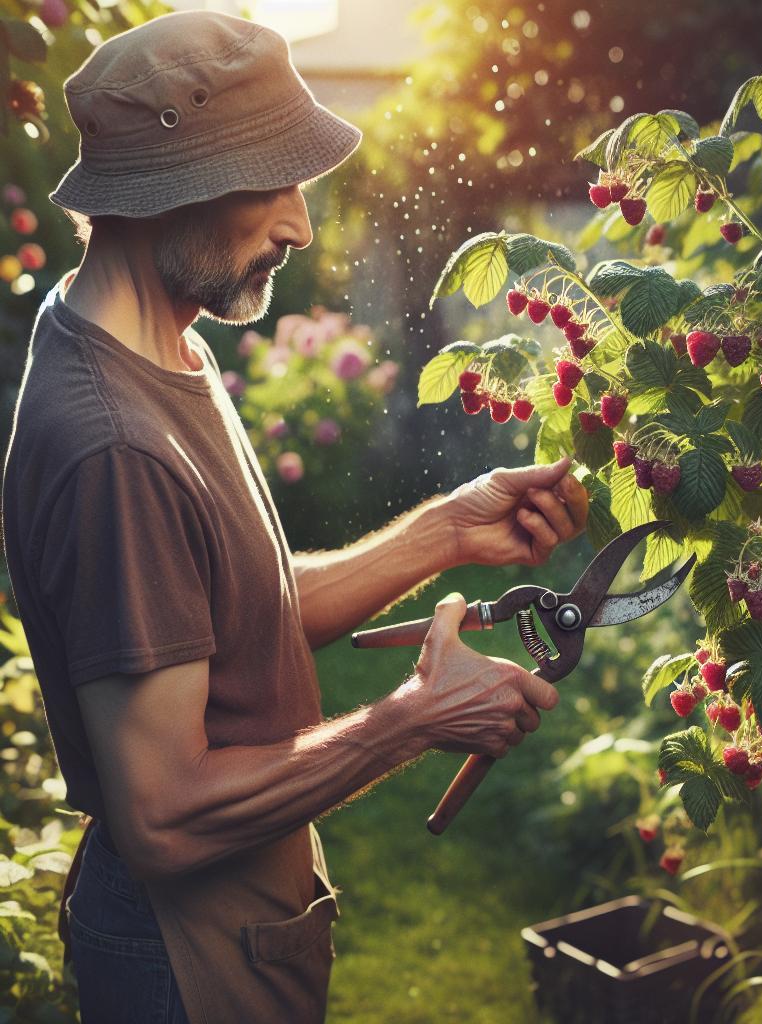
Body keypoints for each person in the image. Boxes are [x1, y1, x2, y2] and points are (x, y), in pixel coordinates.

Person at [0, 11, 588, 1024]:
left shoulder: (159, 343)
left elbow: (227, 616)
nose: (300, 225)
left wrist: (443, 529)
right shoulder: (114, 446)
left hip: (244, 917)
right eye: (268, 181)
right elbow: (164, 817)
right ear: (165, 184)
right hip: (178, 958)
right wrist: (410, 720)